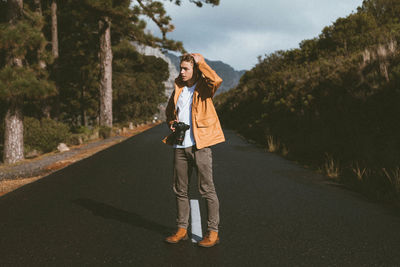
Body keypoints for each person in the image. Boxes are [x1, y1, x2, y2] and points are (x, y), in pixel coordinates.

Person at [162, 53, 225, 248]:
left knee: (206, 189)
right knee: (180, 189)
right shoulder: (179, 89)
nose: (181, 72)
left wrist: (202, 62)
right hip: (180, 146)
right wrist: (172, 123)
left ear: (194, 70)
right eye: (180, 68)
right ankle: (182, 229)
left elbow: (216, 79)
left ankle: (212, 231)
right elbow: (169, 111)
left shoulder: (204, 88)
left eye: (185, 68)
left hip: (200, 145)